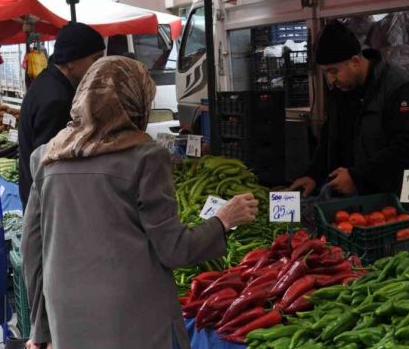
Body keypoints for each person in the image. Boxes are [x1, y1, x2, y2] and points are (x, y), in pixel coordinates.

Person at [21, 56, 259, 349]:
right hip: (133, 316)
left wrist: (39, 329)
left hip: (65, 312)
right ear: (136, 102)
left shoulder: (46, 156)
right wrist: (223, 220)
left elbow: (32, 248)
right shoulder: (145, 158)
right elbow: (174, 249)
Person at [289, 20, 409, 197]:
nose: (330, 80)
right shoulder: (342, 89)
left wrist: (357, 177)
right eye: (325, 72)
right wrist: (314, 175)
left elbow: (408, 148)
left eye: (333, 71)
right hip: (354, 199)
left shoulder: (401, 89)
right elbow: (330, 136)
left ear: (355, 61)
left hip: (395, 200)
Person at [18, 22, 105, 209]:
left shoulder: (48, 82)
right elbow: (51, 166)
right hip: (49, 206)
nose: (99, 67)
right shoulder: (56, 99)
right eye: (96, 59)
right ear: (72, 61)